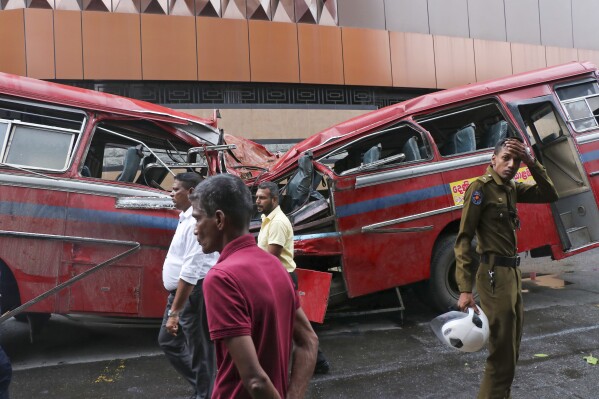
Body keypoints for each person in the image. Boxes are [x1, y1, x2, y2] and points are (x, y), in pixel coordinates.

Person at [190, 174, 318, 399]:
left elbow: (255, 381)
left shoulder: (221, 278)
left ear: (219, 219)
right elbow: (309, 340)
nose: (195, 229)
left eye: (198, 219)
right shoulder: (275, 265)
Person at [455, 137, 558, 399]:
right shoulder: (480, 189)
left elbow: (549, 193)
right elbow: (463, 239)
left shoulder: (511, 188)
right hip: (493, 277)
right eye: (506, 158)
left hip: (512, 274)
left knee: (511, 353)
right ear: (493, 160)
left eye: (516, 161)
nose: (511, 165)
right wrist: (465, 289)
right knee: (501, 356)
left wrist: (531, 160)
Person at [255, 181, 331, 374]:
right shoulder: (268, 220)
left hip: (281, 279)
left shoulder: (278, 222)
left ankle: (315, 363)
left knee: (287, 327)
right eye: (256, 197)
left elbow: (271, 256)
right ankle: (318, 362)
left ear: (274, 199)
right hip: (278, 278)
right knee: (293, 326)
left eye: (262, 197)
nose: (257, 201)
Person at [158, 172, 219, 399]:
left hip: (193, 293)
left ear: (191, 192)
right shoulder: (185, 217)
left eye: (176, 190)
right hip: (181, 293)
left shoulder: (196, 221)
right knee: (168, 342)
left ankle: (206, 393)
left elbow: (191, 270)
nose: (171, 193)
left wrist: (175, 311)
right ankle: (206, 389)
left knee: (199, 349)